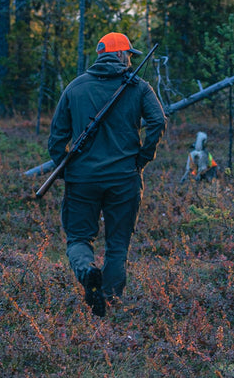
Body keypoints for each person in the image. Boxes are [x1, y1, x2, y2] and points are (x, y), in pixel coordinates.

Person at [48, 32, 166, 317]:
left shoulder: (75, 88)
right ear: (123, 55)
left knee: (78, 239)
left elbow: (56, 138)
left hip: (82, 180)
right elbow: (158, 121)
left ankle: (87, 270)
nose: (130, 59)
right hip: (124, 179)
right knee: (118, 245)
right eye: (129, 55)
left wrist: (66, 167)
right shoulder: (138, 87)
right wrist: (142, 159)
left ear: (101, 55)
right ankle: (110, 304)